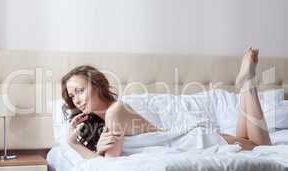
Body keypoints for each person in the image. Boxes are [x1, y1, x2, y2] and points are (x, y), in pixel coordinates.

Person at [61, 47, 271, 159]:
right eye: (72, 96)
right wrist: (74, 143)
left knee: (262, 147)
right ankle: (245, 87)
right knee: (247, 140)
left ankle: (249, 84)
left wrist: (77, 146)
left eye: (80, 90)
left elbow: (107, 163)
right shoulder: (108, 118)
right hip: (190, 139)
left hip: (191, 142)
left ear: (98, 86)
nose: (76, 99)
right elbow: (104, 158)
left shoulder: (114, 112)